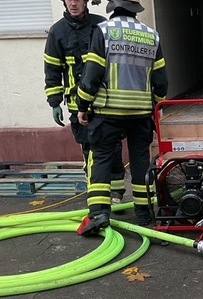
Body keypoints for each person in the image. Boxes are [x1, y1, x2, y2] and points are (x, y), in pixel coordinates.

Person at [75, 0, 167, 235]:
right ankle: (145, 213)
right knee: (140, 162)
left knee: (102, 159)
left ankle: (98, 214)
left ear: (112, 9)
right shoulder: (151, 36)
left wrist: (82, 105)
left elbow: (92, 75)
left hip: (108, 112)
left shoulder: (103, 31)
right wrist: (156, 106)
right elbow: (161, 82)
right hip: (140, 113)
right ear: (135, 10)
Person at [44, 0, 127, 203]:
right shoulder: (57, 32)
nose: (73, 3)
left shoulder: (101, 25)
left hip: (105, 102)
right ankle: (97, 194)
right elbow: (52, 69)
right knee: (89, 149)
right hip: (77, 104)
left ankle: (116, 192)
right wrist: (54, 102)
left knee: (113, 147)